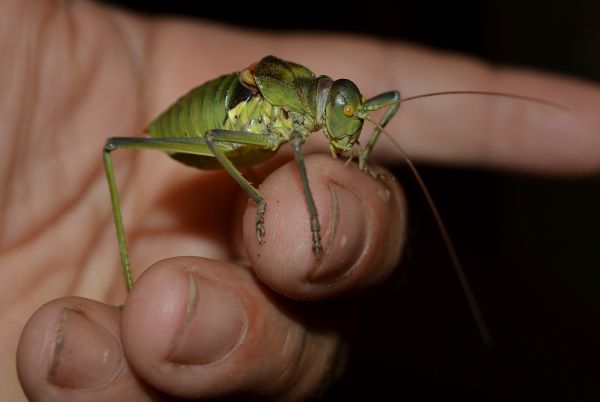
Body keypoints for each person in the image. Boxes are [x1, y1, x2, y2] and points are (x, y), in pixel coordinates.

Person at [4, 0, 600, 400]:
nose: (351, 121)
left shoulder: (323, 105)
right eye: (345, 113)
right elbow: (217, 140)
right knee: (122, 148)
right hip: (206, 126)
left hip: (250, 114)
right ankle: (134, 282)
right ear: (321, 102)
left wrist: (361, 150)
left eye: (351, 115)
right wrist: (263, 204)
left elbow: (382, 101)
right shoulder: (291, 117)